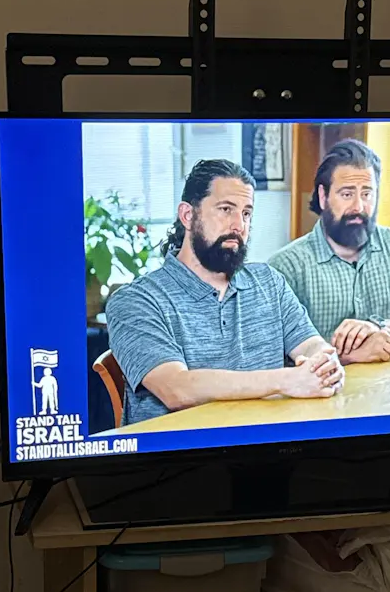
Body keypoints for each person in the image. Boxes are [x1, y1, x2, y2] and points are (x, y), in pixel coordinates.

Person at [105, 159, 343, 424]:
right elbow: (176, 388)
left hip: (268, 441)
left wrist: (323, 361)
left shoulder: (269, 282)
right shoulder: (135, 301)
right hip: (184, 448)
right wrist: (286, 380)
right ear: (187, 215)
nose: (239, 225)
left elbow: (309, 344)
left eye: (246, 213)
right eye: (226, 209)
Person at [268, 138, 390, 364]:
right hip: (326, 386)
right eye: (347, 194)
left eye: (367, 194)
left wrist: (377, 327)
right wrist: (350, 356)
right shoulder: (285, 268)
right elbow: (274, 356)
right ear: (323, 196)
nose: (358, 207)